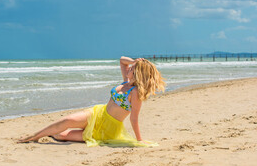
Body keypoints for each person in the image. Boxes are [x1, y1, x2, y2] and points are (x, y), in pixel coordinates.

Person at [17, 56, 166, 147]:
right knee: (67, 120)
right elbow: (122, 61)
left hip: (107, 128)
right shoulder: (125, 82)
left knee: (62, 136)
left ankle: (52, 134)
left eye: (132, 68)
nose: (128, 69)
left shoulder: (135, 92)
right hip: (98, 113)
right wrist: (134, 60)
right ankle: (33, 137)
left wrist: (139, 140)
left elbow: (134, 118)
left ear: (138, 73)